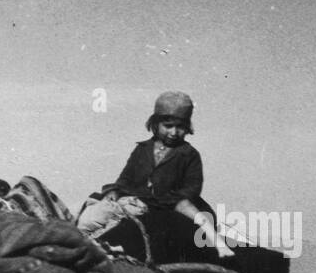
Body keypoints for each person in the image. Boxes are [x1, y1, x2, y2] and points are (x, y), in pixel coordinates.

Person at [99, 91, 235, 260]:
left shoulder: (189, 154)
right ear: (155, 124)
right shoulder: (142, 150)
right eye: (168, 126)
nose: (174, 132)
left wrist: (167, 199)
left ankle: (219, 244)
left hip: (174, 201)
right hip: (142, 199)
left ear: (187, 128)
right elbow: (126, 177)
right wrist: (116, 191)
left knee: (192, 211)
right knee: (101, 206)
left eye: (180, 127)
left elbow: (192, 187)